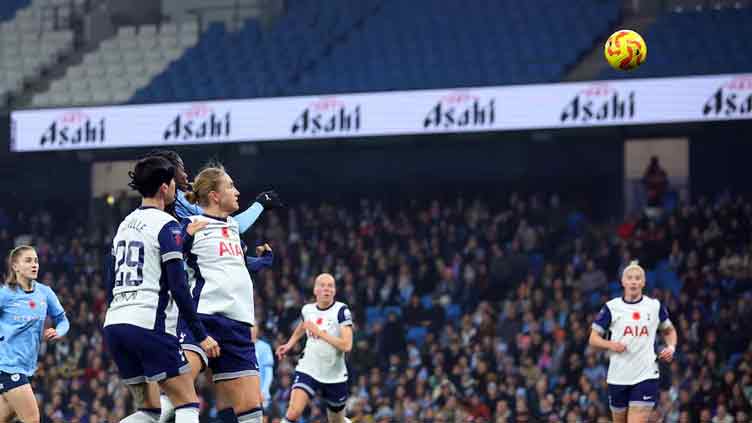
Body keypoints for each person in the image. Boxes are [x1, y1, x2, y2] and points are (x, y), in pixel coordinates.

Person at [103, 156, 219, 423]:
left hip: (115, 324)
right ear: (165, 187)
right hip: (149, 326)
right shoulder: (167, 226)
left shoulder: (124, 225)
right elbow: (179, 286)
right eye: (173, 186)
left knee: (149, 411)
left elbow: (109, 280)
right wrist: (201, 336)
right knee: (187, 402)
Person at [177, 164, 264, 423]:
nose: (237, 191)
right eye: (230, 186)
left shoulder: (234, 229)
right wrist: (183, 239)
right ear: (215, 195)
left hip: (238, 324)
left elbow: (232, 267)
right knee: (177, 388)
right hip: (203, 319)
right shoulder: (191, 225)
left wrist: (260, 262)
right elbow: (168, 260)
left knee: (251, 408)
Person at [589, 260, 678, 423]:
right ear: (623, 282)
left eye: (638, 278)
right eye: (630, 278)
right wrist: (611, 345)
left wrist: (671, 347)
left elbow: (669, 330)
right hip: (618, 376)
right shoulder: (611, 307)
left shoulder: (654, 306)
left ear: (643, 283)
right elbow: (593, 339)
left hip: (646, 374)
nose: (634, 281)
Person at [0, 245, 69, 423]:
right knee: (32, 419)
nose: (34, 265)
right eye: (28, 260)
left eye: (36, 261)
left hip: (27, 368)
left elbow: (63, 320)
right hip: (7, 367)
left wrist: (59, 331)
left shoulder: (45, 293)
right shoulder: (5, 294)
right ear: (15, 266)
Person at [276, 273, 354, 423]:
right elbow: (304, 325)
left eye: (330, 286)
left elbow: (347, 345)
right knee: (293, 412)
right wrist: (289, 344)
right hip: (309, 368)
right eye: (322, 285)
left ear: (334, 291)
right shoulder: (307, 310)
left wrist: (319, 333)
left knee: (336, 420)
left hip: (334, 374)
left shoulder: (341, 311)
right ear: (315, 290)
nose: (327, 289)